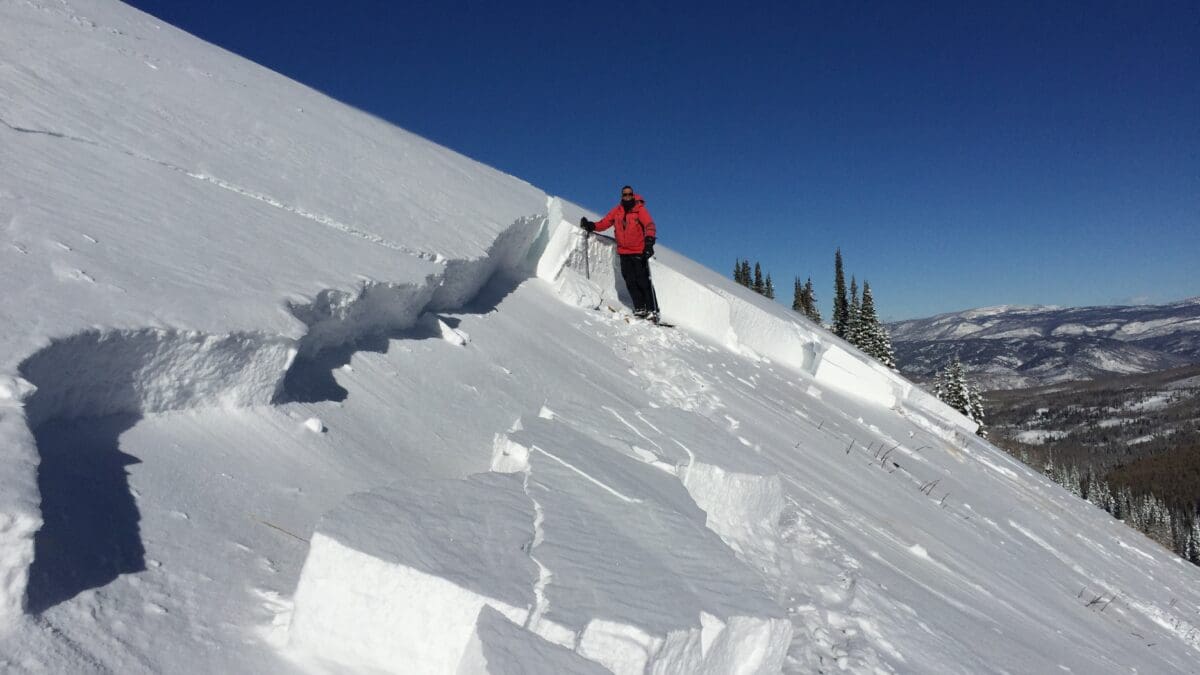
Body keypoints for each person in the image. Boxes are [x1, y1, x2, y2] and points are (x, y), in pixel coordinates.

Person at [580, 186, 659, 320]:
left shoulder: (639, 210)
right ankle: (640, 308)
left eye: (629, 194)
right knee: (630, 281)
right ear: (622, 196)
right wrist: (591, 226)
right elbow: (605, 223)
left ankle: (652, 310)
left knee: (643, 281)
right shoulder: (617, 211)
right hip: (624, 252)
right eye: (625, 194)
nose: (627, 196)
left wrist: (649, 242)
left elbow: (649, 225)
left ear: (633, 195)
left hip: (639, 251)